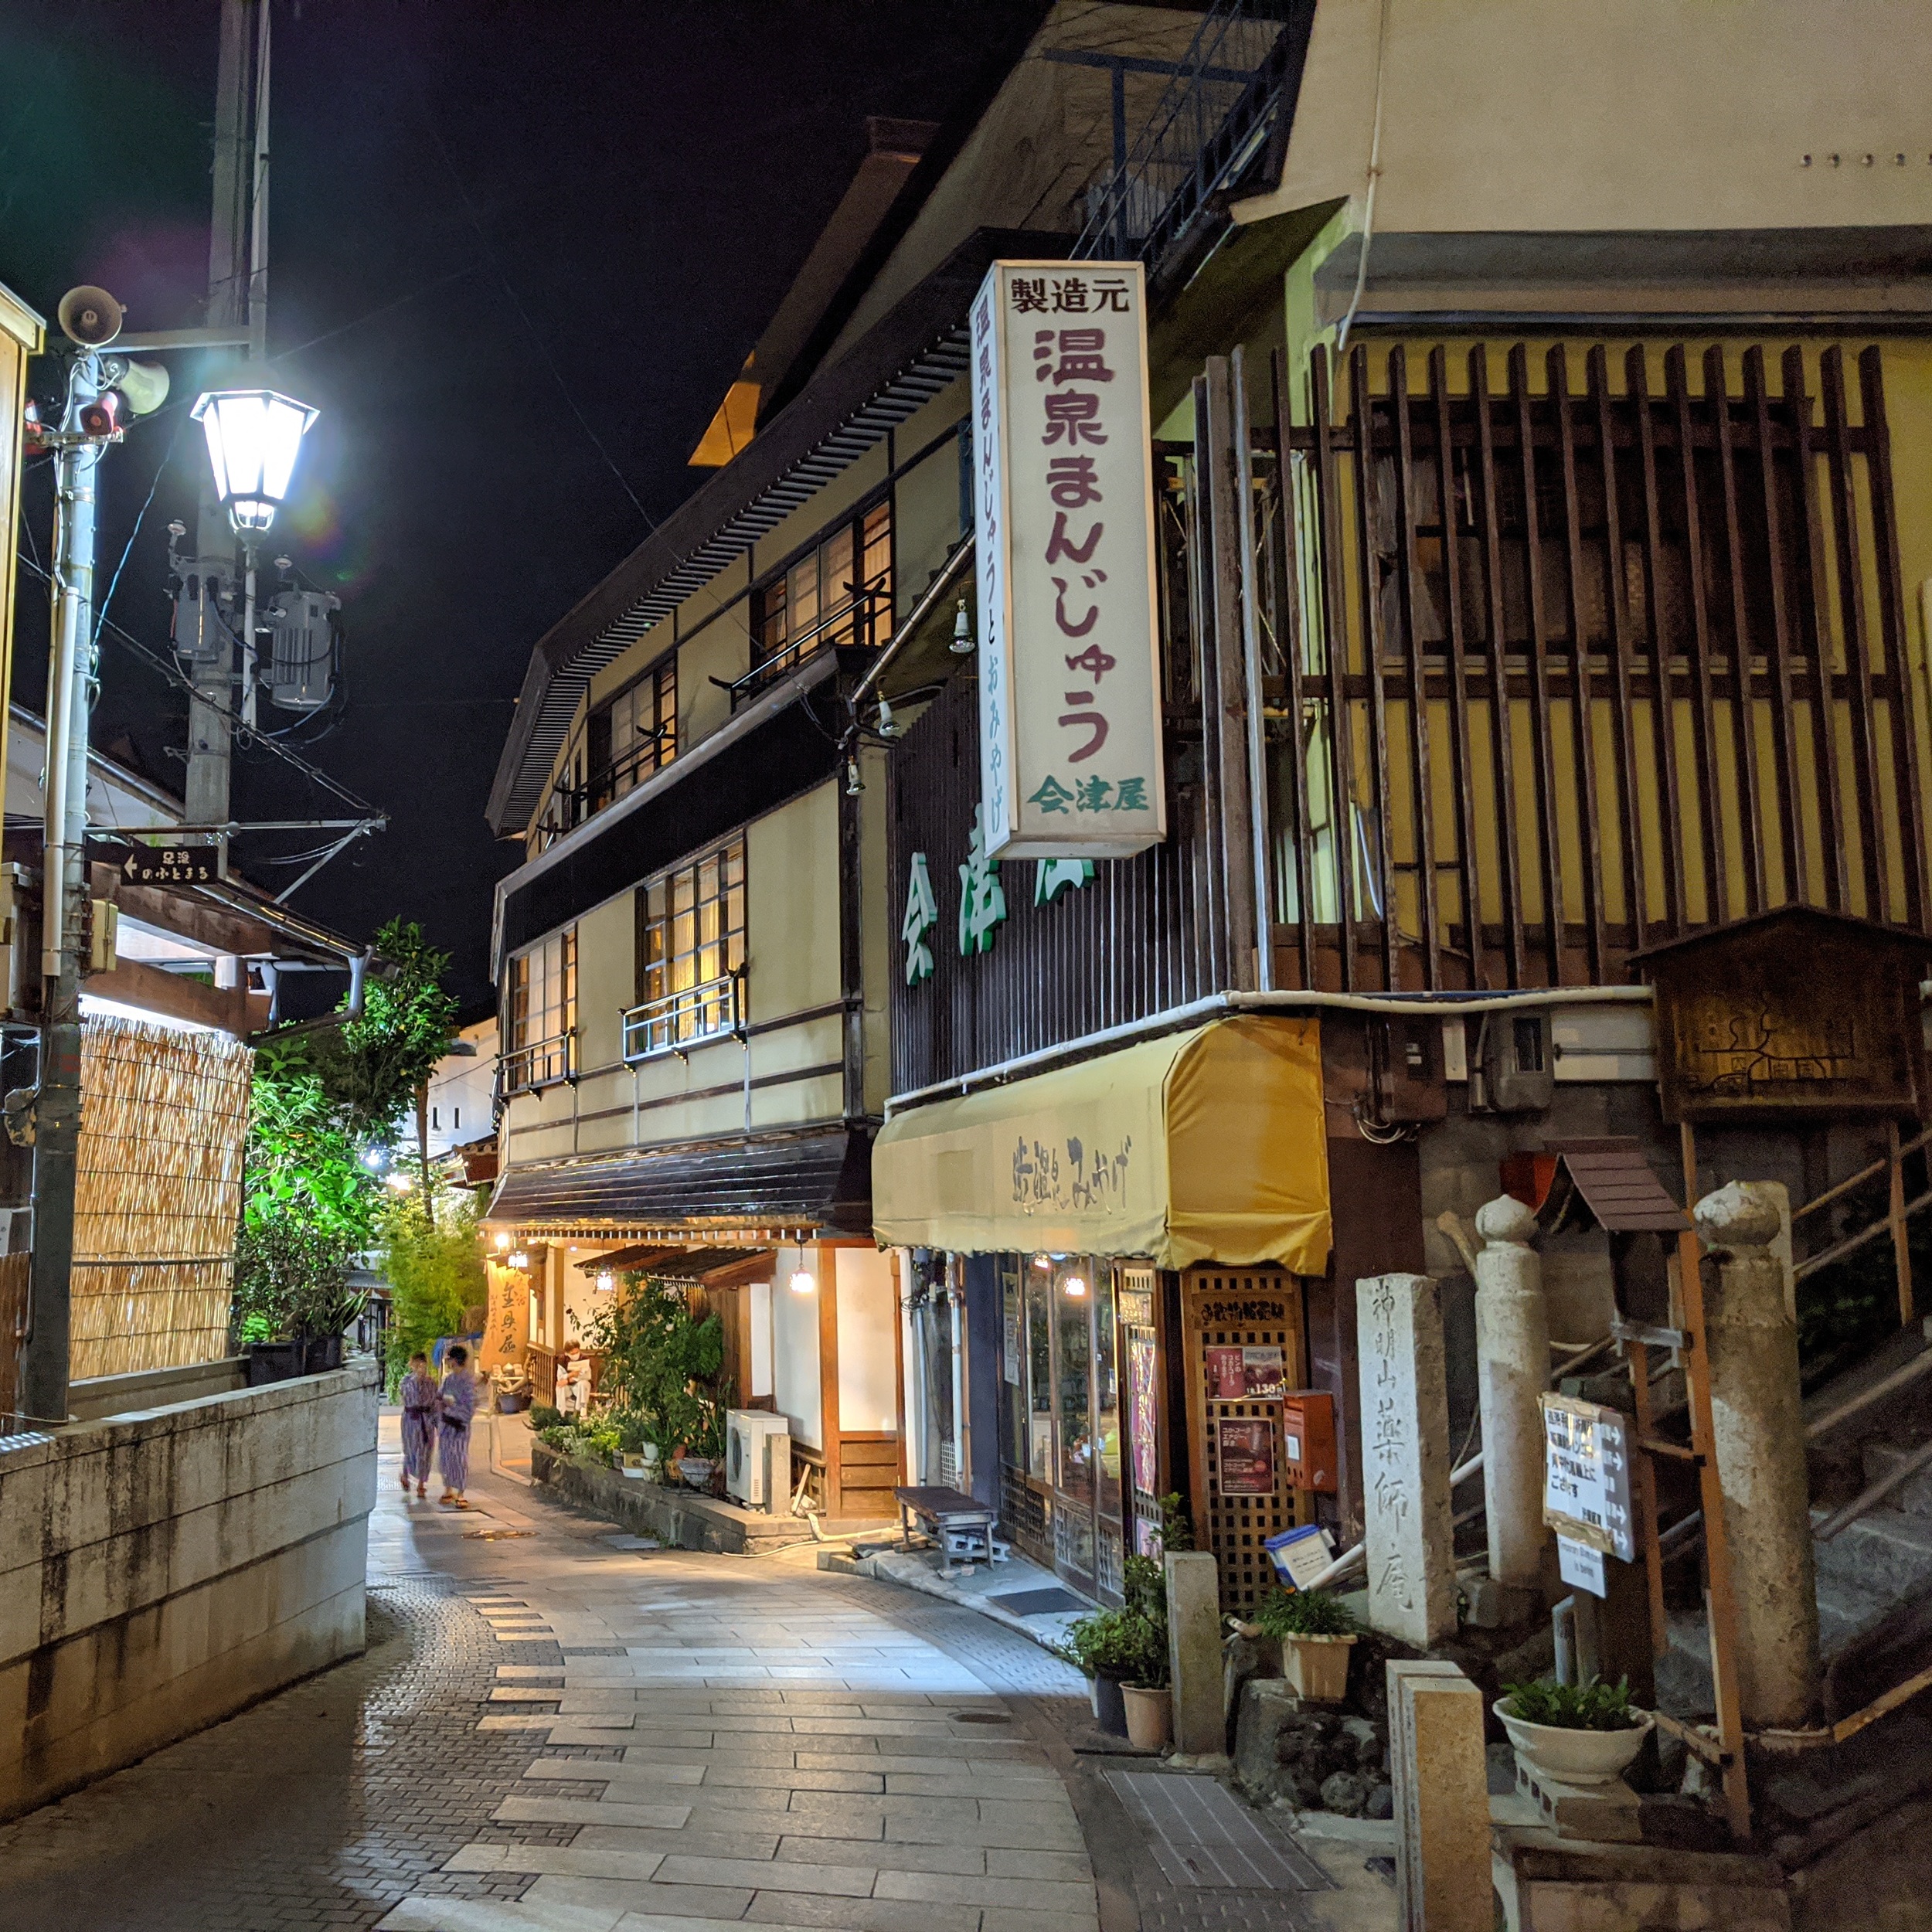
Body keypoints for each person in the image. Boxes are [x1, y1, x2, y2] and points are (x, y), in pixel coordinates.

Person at [438, 1342, 480, 1509]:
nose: (448, 1363)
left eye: (449, 1360)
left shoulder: (467, 1381)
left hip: (459, 1425)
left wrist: (453, 1406)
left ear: (455, 1361)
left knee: (459, 1457)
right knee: (445, 1457)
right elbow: (439, 1397)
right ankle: (448, 1488)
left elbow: (470, 1405)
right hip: (447, 1424)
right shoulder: (448, 1380)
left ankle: (461, 1492)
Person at [399, 1351, 439, 1498]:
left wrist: (437, 1422)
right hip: (411, 1419)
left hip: (426, 1419)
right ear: (412, 1365)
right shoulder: (406, 1381)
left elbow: (435, 1403)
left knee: (426, 1451)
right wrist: (417, 1379)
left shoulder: (431, 1383)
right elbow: (407, 1395)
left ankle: (422, 1483)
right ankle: (405, 1474)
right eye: (417, 1364)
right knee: (411, 1449)